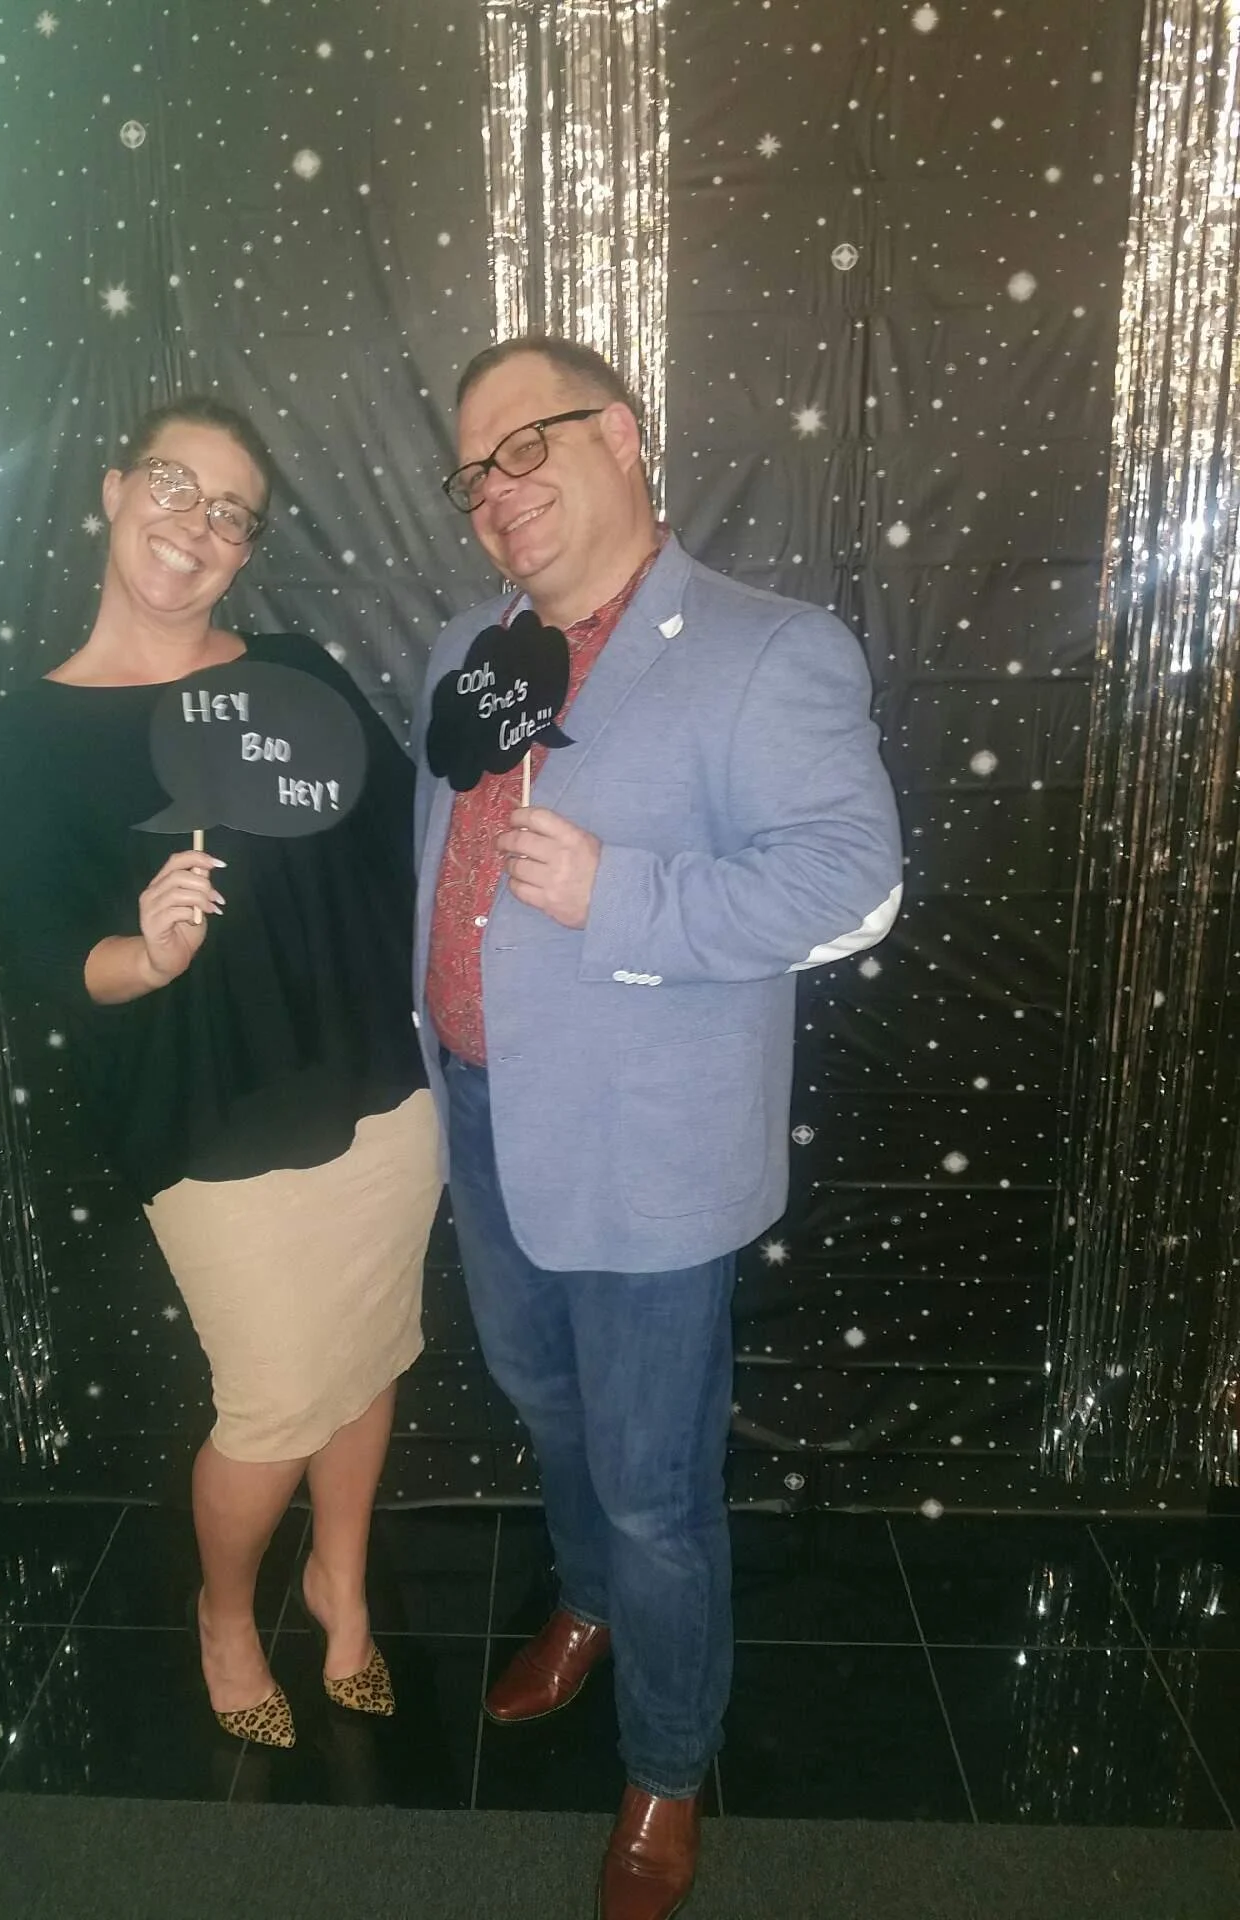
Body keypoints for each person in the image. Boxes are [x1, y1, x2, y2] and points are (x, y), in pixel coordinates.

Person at [415, 339, 902, 1919]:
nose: (502, 489)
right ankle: (587, 1604)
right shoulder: (465, 650)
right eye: (477, 470)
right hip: (485, 1120)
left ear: (622, 437)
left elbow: (853, 885)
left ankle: (668, 1768)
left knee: (653, 1488)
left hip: (641, 1153)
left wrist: (624, 896)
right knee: (541, 1406)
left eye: (530, 444)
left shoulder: (769, 649)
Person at [0, 395, 440, 1748]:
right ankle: (225, 1612)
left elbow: (401, 834)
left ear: (247, 548)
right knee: (277, 1395)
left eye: (232, 511)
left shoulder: (293, 669)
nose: (199, 526)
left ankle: (338, 1584)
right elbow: (48, 953)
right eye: (176, 487)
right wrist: (148, 953)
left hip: (377, 1091)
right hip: (208, 1114)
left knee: (367, 1352)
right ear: (114, 492)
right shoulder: (31, 734)